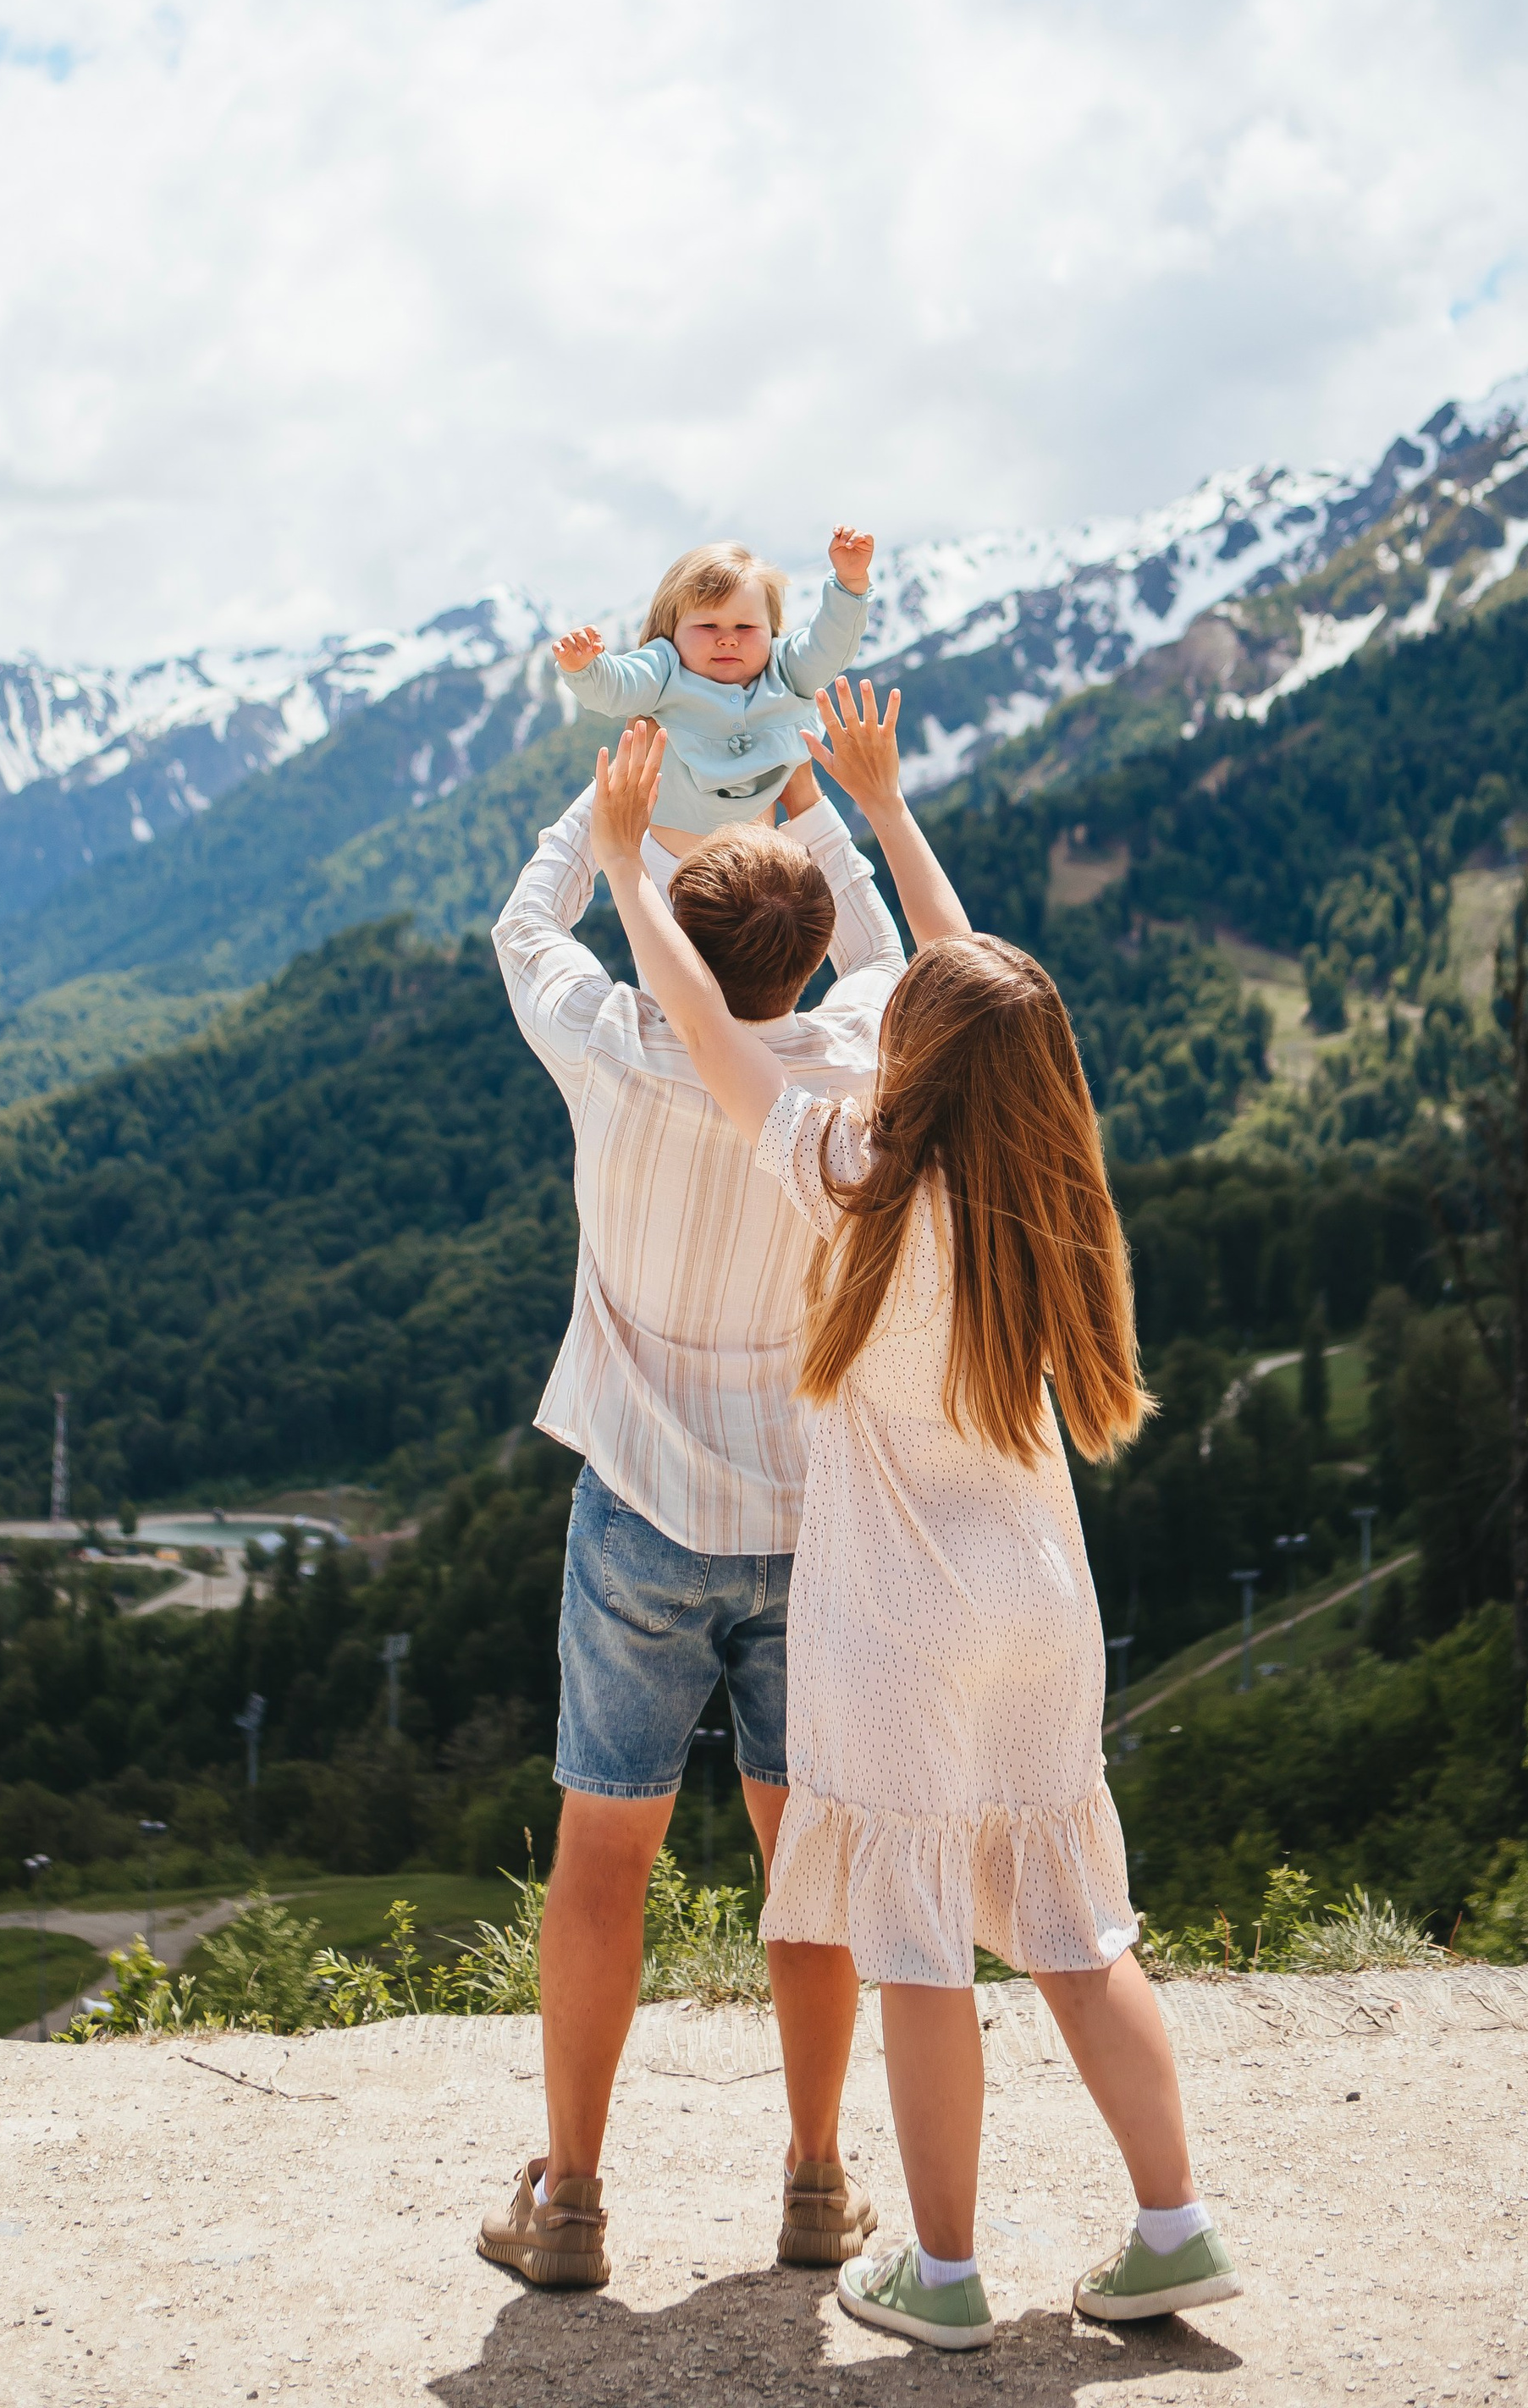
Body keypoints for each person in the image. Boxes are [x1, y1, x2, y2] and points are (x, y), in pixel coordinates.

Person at [587, 688, 1241, 2353]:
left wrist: (626, 872)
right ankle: (1171, 2226)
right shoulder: (1052, 1195)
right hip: (1041, 1601)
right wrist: (880, 814)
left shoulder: (850, 1171)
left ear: (917, 1057)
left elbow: (708, 1029)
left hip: (895, 1617)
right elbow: (984, 1002)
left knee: (920, 1955)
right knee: (1077, 1933)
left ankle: (937, 2273)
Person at [478, 689, 961, 2292]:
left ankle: (569, 2200)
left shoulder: (615, 1047)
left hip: (639, 1518)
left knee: (600, 1852)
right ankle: (819, 2183)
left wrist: (607, 814)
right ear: (811, 955)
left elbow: (521, 924)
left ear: (669, 954)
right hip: (813, 1532)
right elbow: (906, 949)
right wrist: (829, 797)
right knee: (801, 1855)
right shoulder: (859, 1059)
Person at [554, 530, 873, 855]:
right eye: (708, 626)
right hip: (665, 865)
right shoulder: (664, 666)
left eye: (745, 628)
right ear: (672, 628)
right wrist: (587, 668)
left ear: (772, 629)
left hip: (759, 863)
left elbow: (829, 646)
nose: (727, 639)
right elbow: (619, 686)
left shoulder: (787, 668)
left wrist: (849, 584)